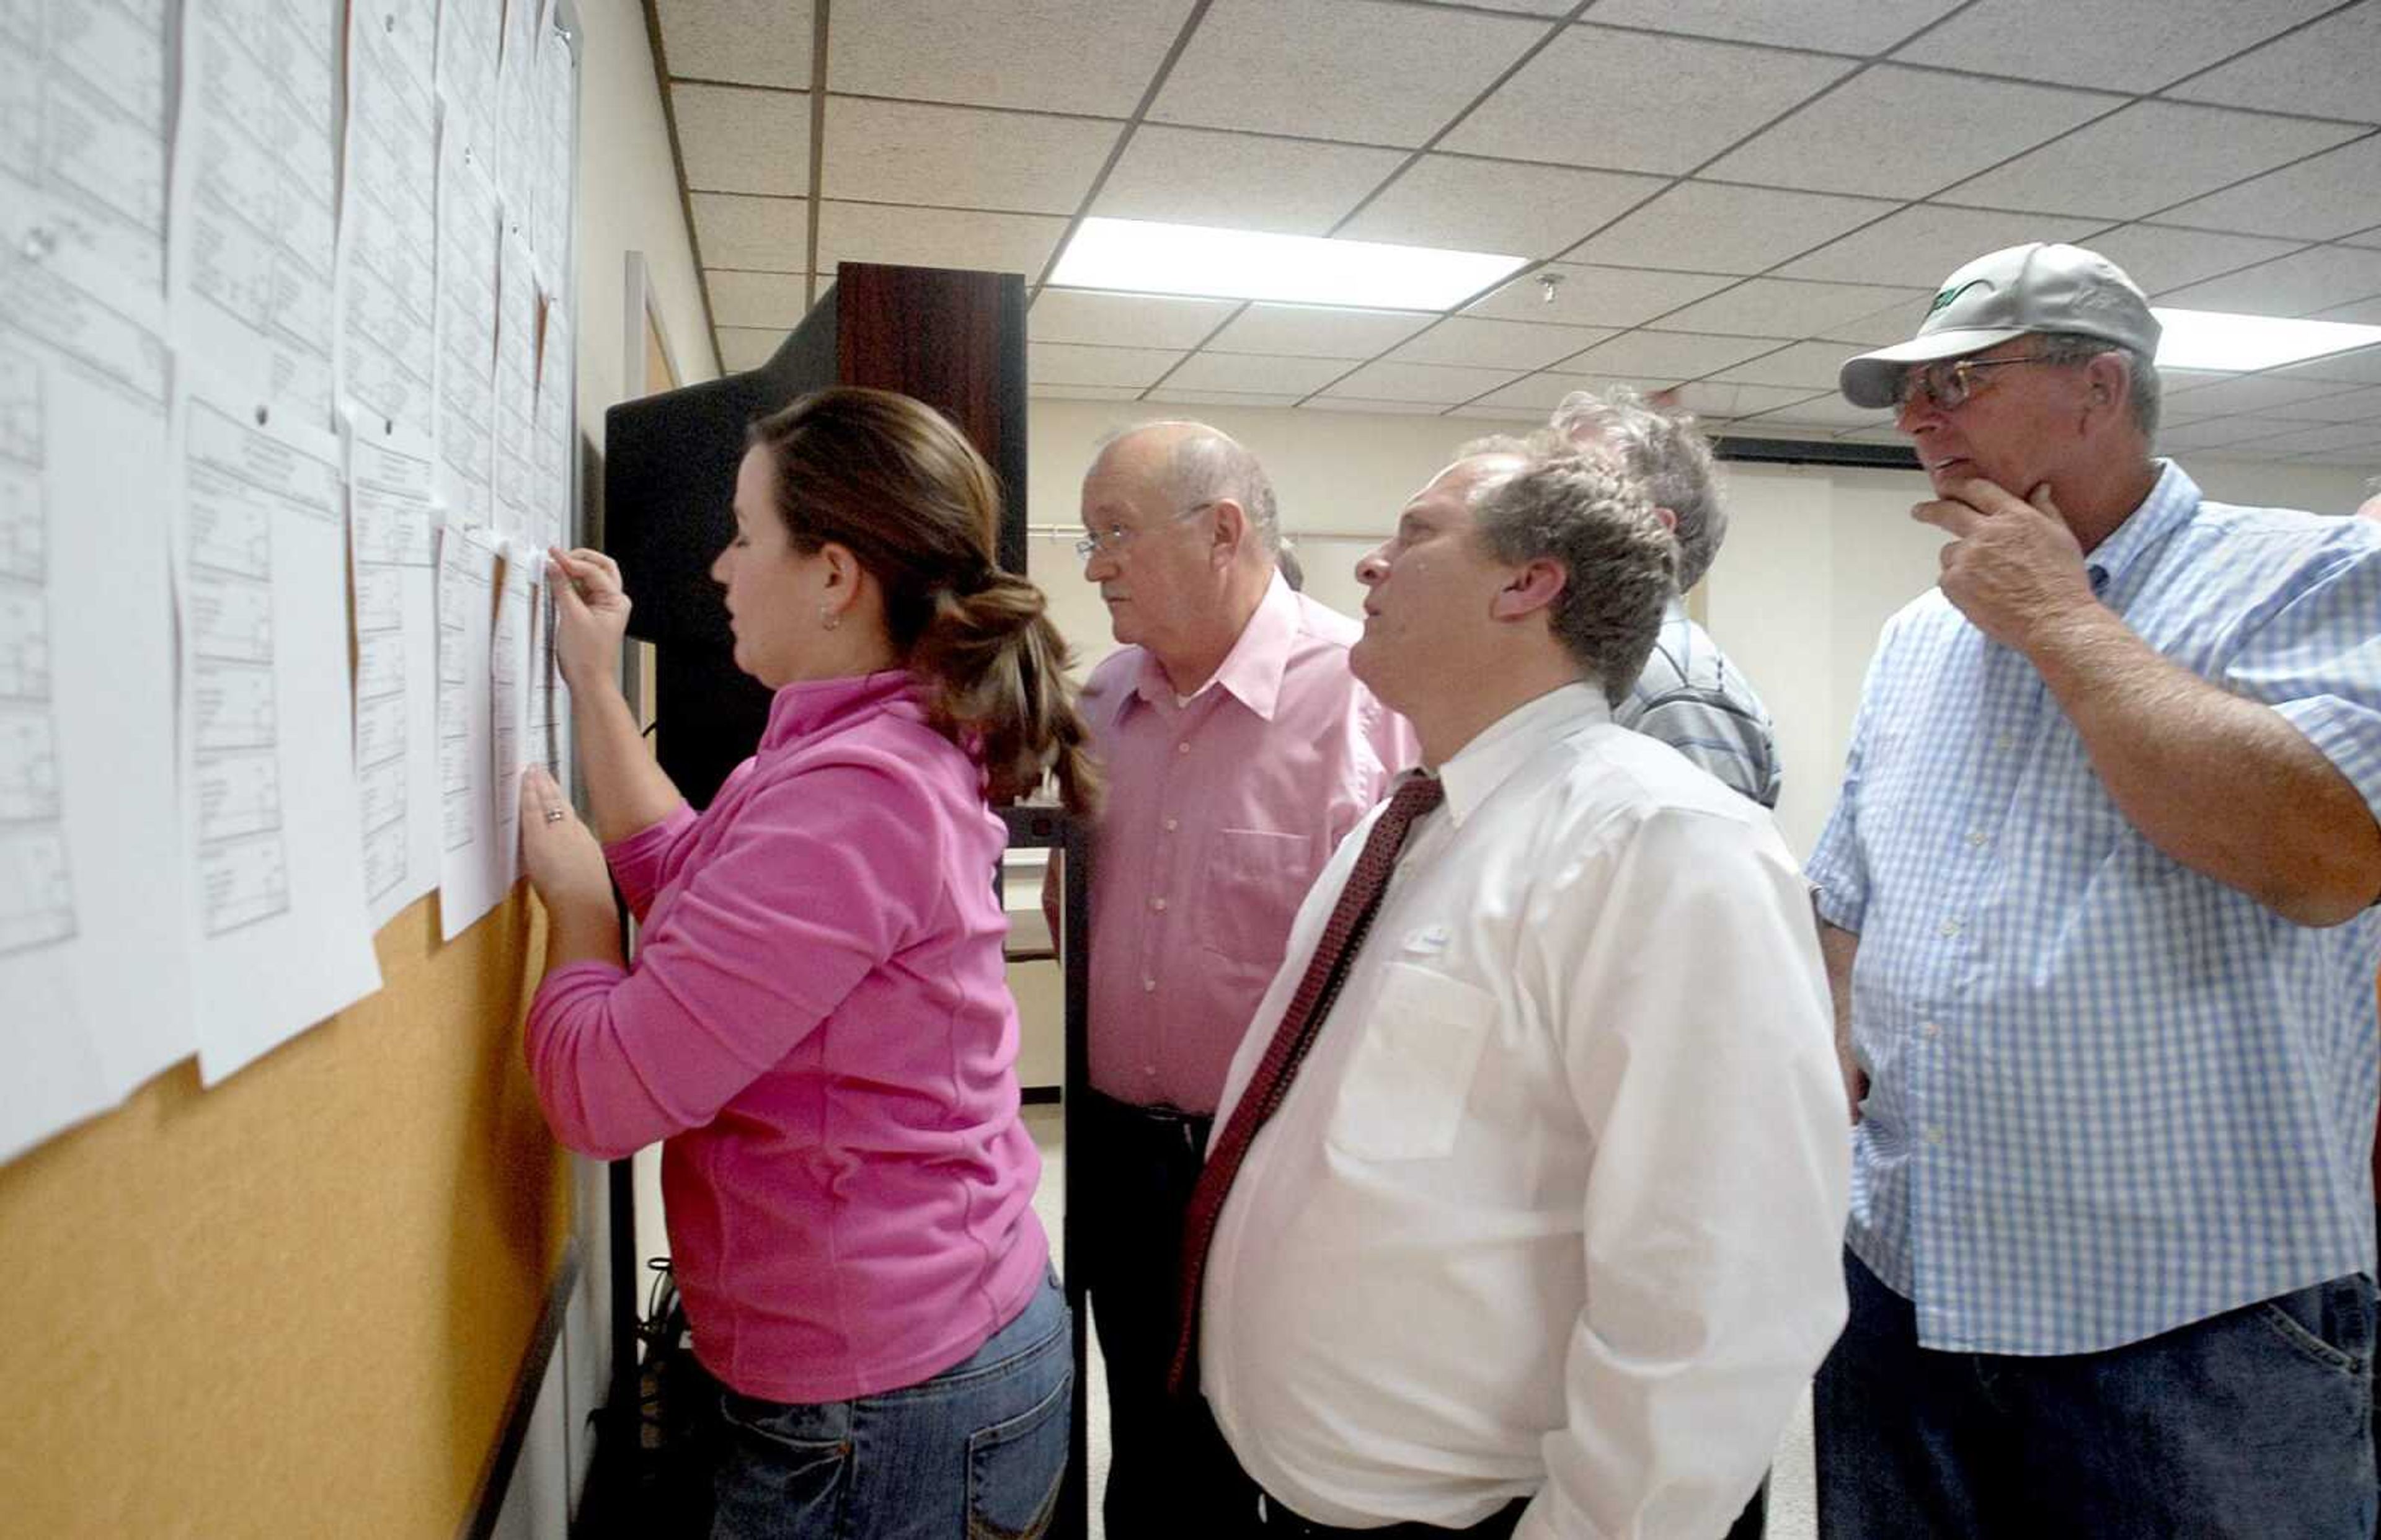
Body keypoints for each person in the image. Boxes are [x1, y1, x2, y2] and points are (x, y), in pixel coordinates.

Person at [1812, 242, 2381, 1538]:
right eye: (1908, 392)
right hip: (1910, 1291)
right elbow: (1848, 899)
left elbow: (2329, 857)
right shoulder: (1919, 636)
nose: (1917, 418)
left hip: (2195, 1328)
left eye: (1959, 378)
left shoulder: (2309, 576)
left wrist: (2065, 626)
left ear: (2099, 389)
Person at [1182, 436, 1850, 1539]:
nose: (1369, 564)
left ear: (1529, 582)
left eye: (1417, 532)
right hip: (1319, 1489)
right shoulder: (1407, 827)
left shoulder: (1662, 844)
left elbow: (1725, 1296)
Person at [515, 387, 1095, 1540]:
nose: (723, 568)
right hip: (919, 1355)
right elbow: (692, 877)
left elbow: (604, 1095)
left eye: (744, 533)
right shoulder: (857, 746)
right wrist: (590, 681)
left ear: (835, 574)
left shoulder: (860, 792)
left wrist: (578, 904)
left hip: (893, 1393)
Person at [1060, 420, 1416, 1535]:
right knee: (1163, 1469)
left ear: (1223, 531)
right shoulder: (1100, 705)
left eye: (1115, 532)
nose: (1094, 564)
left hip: (1295, 1168)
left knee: (1315, 1465)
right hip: (1124, 1161)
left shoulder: (1368, 699)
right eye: (1089, 537)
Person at [1552, 387, 1781, 808]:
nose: (1536, 506)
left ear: (1652, 533)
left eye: (1574, 488)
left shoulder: (1680, 691)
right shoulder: (1593, 663)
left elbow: (1702, 866)